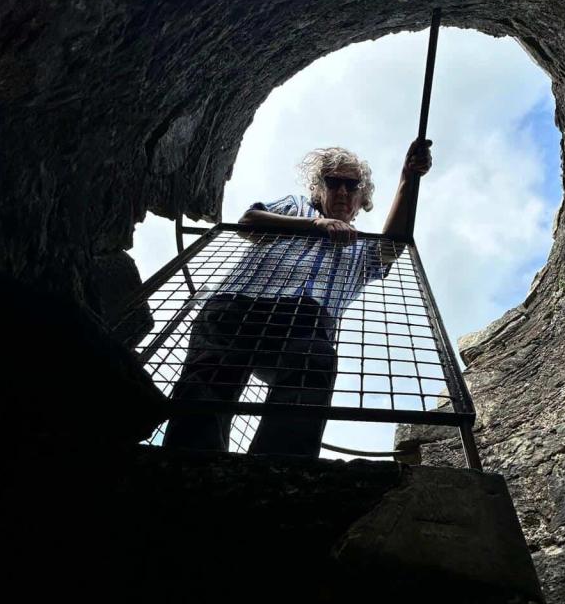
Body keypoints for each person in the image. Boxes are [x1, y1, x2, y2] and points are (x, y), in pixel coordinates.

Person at [163, 138, 433, 455]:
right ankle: (188, 462)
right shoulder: (296, 206)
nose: (343, 192)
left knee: (313, 364)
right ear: (319, 189)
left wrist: (407, 179)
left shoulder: (362, 247)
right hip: (239, 302)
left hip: (306, 319)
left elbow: (392, 246)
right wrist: (316, 224)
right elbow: (249, 222)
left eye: (352, 185)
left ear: (361, 198)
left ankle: (276, 471)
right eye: (334, 182)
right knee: (210, 377)